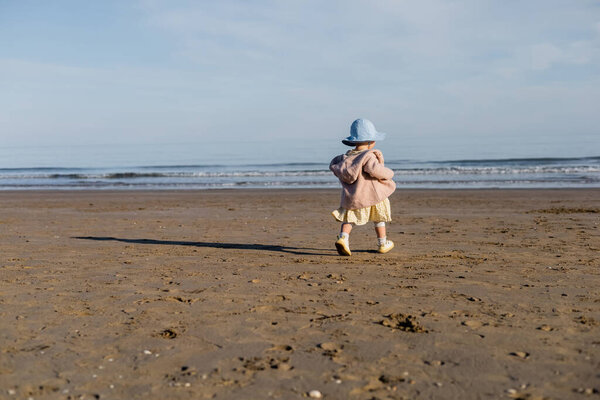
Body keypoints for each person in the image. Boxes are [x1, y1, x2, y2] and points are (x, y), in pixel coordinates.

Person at [329, 118, 396, 256]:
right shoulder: (368, 156)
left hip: (354, 197)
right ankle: (382, 243)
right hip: (372, 194)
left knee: (350, 219)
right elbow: (374, 170)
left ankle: (343, 238)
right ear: (371, 142)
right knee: (379, 219)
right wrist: (389, 173)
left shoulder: (347, 158)